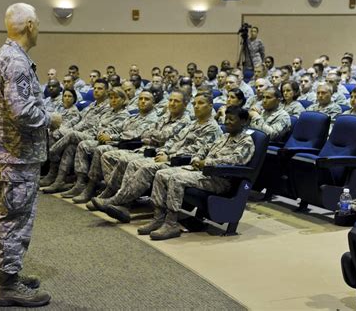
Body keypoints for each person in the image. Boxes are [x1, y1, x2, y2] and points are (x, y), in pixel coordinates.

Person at [0, 3, 61, 307]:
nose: (40, 28)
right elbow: (21, 111)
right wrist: (50, 118)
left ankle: (3, 274)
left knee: (5, 216)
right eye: (39, 23)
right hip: (17, 154)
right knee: (15, 219)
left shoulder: (4, 56)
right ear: (30, 25)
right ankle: (8, 285)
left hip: (11, 153)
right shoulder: (15, 61)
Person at [91, 92, 222, 221]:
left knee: (146, 167)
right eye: (195, 103)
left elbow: (195, 151)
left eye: (201, 103)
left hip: (182, 162)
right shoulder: (193, 124)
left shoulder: (211, 128)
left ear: (210, 106)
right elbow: (174, 140)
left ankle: (117, 201)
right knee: (133, 163)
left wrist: (170, 157)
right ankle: (124, 204)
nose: (196, 106)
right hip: (168, 156)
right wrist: (164, 151)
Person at [141, 106, 256, 240]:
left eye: (232, 119)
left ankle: (171, 223)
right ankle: (158, 218)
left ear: (242, 122)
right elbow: (204, 148)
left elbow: (235, 160)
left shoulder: (246, 142)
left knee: (177, 179)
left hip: (220, 179)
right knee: (162, 174)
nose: (227, 122)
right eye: (226, 118)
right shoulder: (224, 136)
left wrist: (206, 163)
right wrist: (196, 159)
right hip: (203, 173)